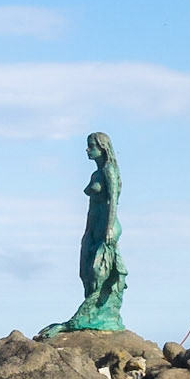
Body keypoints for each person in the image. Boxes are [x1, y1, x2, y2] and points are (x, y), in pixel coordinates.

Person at [40, 131, 127, 335]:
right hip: (93, 227)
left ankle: (88, 318)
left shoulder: (109, 170)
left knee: (100, 273)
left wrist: (108, 229)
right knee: (86, 272)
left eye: (91, 147)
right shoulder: (95, 174)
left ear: (102, 148)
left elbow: (113, 200)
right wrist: (87, 233)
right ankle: (94, 315)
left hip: (108, 226)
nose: (88, 150)